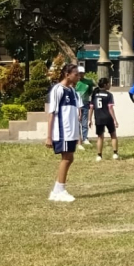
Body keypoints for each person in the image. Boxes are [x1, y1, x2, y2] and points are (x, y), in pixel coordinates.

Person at [46, 64, 82, 203]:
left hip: (71, 131)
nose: (78, 77)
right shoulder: (58, 89)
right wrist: (49, 136)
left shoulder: (72, 91)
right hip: (62, 131)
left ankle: (57, 190)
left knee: (70, 158)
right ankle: (60, 190)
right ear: (67, 74)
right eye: (76, 74)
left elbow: (74, 114)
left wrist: (78, 134)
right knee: (66, 158)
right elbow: (52, 113)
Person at [89, 78, 119, 161]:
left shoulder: (95, 94)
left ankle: (99, 155)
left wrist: (89, 119)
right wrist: (115, 120)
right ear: (105, 85)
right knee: (113, 135)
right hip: (108, 117)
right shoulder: (109, 95)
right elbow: (110, 108)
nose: (110, 85)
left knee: (100, 137)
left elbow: (91, 108)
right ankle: (115, 153)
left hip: (98, 118)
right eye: (109, 83)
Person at [73, 66, 96, 148]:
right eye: (79, 73)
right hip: (75, 105)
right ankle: (77, 139)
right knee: (77, 122)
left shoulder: (88, 82)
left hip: (85, 103)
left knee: (84, 121)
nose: (80, 75)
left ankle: (85, 138)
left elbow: (91, 92)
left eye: (82, 73)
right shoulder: (74, 82)